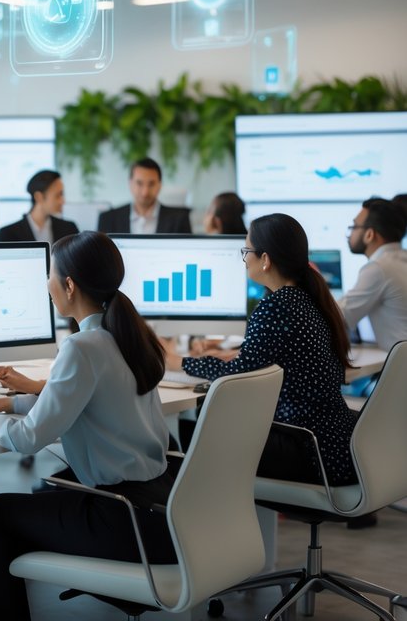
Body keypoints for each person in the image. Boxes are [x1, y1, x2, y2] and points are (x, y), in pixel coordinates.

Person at [0, 231, 174, 620]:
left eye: (51, 274)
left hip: (124, 520)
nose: (47, 283)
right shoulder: (127, 334)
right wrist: (14, 402)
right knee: (40, 494)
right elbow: (91, 401)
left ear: (69, 286)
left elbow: (29, 439)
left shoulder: (83, 347)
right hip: (161, 511)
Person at [166, 214, 360, 488]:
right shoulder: (307, 299)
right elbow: (265, 360)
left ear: (265, 259)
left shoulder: (276, 307)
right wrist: (238, 356)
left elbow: (237, 376)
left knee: (192, 431)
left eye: (247, 251)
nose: (244, 259)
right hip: (336, 446)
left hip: (308, 449)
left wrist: (180, 362)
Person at [340, 198, 407, 353]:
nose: (350, 233)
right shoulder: (400, 259)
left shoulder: (378, 268)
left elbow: (340, 317)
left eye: (354, 226)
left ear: (369, 234)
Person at [97, 158, 192, 234]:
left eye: (151, 184)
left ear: (160, 185)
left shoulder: (180, 219)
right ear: (130, 183)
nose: (145, 192)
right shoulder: (108, 219)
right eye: (139, 183)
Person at [0, 170, 78, 243]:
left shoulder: (69, 229)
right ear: (39, 197)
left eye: (62, 194)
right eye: (58, 195)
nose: (63, 201)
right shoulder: (8, 234)